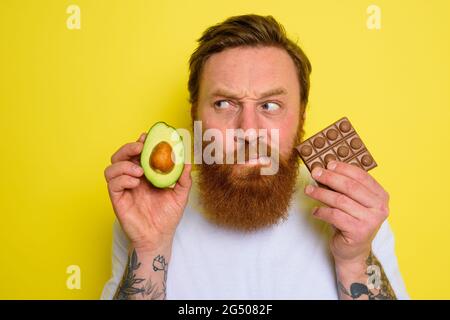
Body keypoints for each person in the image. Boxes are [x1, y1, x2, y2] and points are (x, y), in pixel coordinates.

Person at [101, 14, 408, 300]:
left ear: (301, 117)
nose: (248, 131)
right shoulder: (151, 211)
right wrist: (150, 246)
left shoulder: (351, 214)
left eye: (270, 105)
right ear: (194, 115)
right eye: (224, 104)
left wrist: (354, 259)